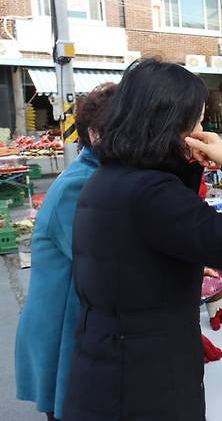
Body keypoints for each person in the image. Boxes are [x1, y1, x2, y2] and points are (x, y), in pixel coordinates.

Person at [62, 59, 222, 420]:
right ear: (170, 123)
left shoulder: (112, 177)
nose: (201, 130)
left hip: (111, 367)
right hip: (145, 383)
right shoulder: (150, 192)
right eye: (197, 120)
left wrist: (186, 164)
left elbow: (169, 237)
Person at [15, 83, 117, 421]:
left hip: (82, 319)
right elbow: (107, 259)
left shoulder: (103, 175)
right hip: (62, 326)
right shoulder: (79, 184)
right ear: (94, 133)